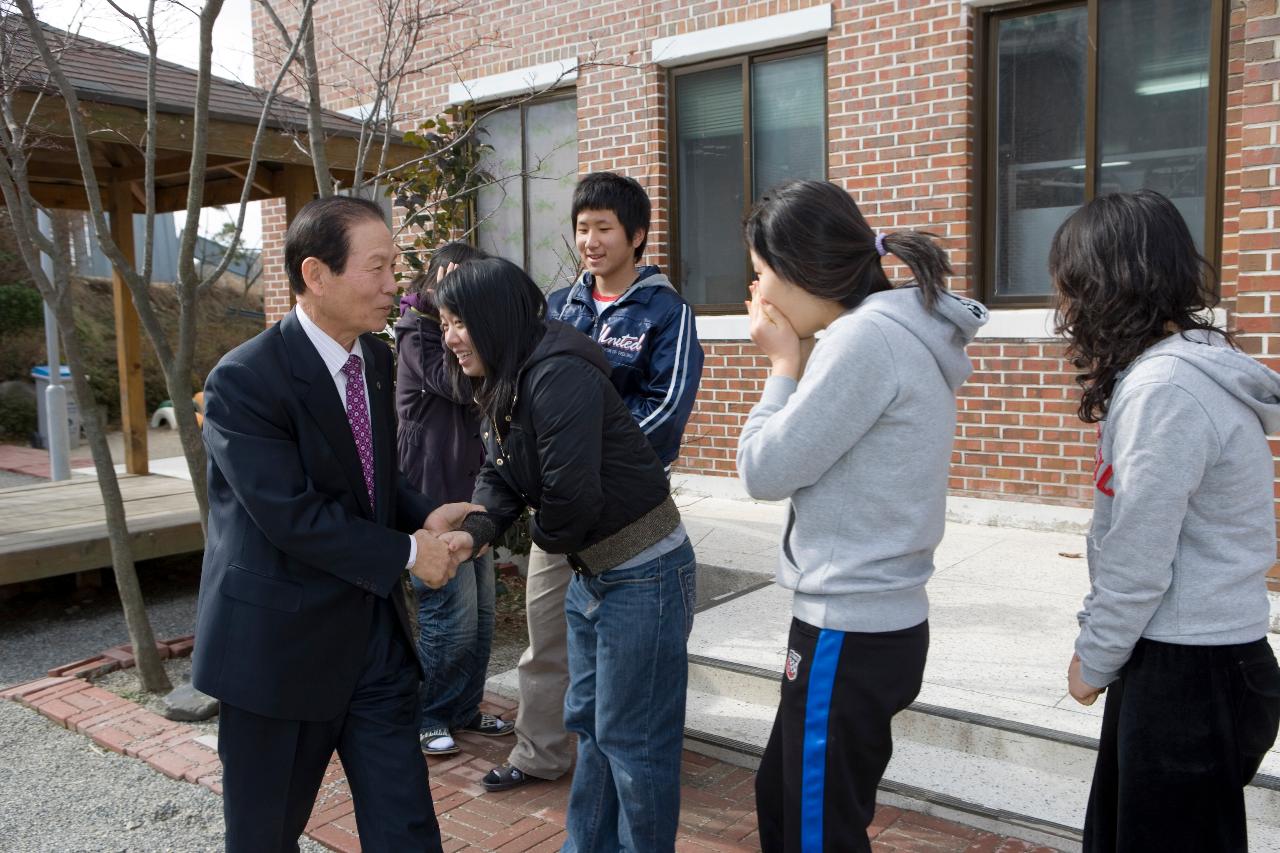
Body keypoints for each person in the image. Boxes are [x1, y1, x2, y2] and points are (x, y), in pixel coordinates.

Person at [193, 195, 475, 853]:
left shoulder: (373, 360)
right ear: (317, 274)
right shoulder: (244, 381)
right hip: (277, 650)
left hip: (371, 641)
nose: (394, 284)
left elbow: (368, 479)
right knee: (265, 835)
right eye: (377, 268)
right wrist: (411, 551)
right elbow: (294, 515)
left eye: (395, 266)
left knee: (406, 827)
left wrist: (421, 512)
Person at [735, 180, 988, 852]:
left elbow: (763, 467)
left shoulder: (862, 341)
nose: (756, 293)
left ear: (794, 272)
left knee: (815, 831)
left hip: (849, 627)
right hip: (866, 624)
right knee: (785, 802)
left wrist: (783, 364)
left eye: (760, 274)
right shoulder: (889, 329)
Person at [433, 257, 697, 852]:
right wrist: (473, 532)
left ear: (493, 318)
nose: (448, 338)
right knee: (594, 729)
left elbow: (571, 499)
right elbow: (501, 473)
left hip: (643, 572)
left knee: (634, 742)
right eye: (443, 324)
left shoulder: (557, 375)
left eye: (457, 323)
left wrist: (535, 530)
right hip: (593, 573)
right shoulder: (507, 376)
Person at [1053, 189, 1280, 852]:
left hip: (1187, 672)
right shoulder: (1179, 374)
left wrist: (1092, 658)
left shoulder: (1167, 389)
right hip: (1194, 662)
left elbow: (1139, 554)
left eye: (1071, 288)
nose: (1064, 310)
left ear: (1109, 286)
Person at [483, 171, 704, 792]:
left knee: (626, 656)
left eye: (604, 228)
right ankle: (539, 752)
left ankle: (620, 761)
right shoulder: (558, 307)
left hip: (629, 517)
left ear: (636, 235)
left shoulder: (665, 311)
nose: (591, 240)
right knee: (547, 633)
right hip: (561, 498)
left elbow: (667, 406)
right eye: (582, 228)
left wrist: (596, 453)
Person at [394, 242, 515, 756]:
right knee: (450, 614)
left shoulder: (458, 334)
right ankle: (430, 715)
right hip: (431, 493)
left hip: (472, 492)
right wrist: (446, 315)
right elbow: (463, 388)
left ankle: (464, 708)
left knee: (482, 613)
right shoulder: (418, 334)